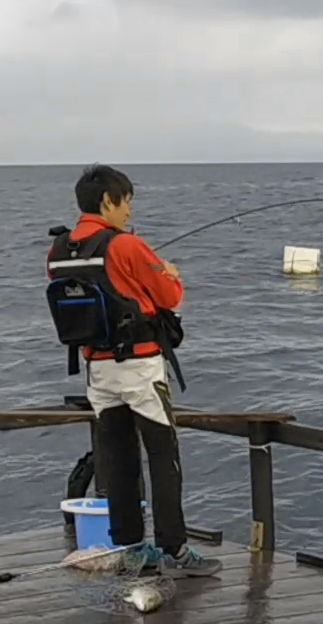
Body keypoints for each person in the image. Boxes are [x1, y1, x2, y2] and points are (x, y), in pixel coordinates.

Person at [45, 164, 218, 579]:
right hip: (139, 365)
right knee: (163, 456)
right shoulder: (125, 245)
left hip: (96, 370)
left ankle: (131, 547)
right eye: (126, 203)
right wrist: (171, 275)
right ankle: (174, 548)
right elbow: (168, 296)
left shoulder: (58, 251)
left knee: (117, 460)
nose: (128, 212)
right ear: (108, 200)